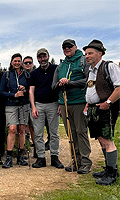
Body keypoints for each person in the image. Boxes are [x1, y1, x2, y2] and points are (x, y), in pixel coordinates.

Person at [83, 39, 120, 185]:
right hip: (94, 109)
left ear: (100, 53)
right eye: (86, 53)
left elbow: (119, 87)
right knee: (100, 139)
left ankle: (112, 173)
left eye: (90, 53)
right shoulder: (91, 70)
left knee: (107, 140)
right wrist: (87, 104)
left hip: (107, 109)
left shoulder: (109, 66)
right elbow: (91, 90)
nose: (86, 56)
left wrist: (108, 103)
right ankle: (108, 168)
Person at [52, 39, 92, 174]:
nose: (67, 49)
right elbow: (53, 85)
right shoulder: (61, 65)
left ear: (75, 47)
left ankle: (85, 162)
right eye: (64, 47)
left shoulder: (83, 60)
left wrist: (70, 83)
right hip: (64, 103)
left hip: (79, 101)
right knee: (71, 133)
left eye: (69, 46)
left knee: (81, 131)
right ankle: (76, 160)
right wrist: (60, 84)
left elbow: (88, 80)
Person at [28, 48, 64, 169]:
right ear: (37, 58)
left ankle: (54, 156)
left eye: (44, 56)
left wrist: (60, 103)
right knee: (38, 133)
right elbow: (31, 91)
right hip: (38, 104)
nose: (42, 59)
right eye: (40, 57)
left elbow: (60, 87)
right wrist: (33, 106)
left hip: (53, 104)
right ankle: (41, 157)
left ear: (48, 56)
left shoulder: (56, 69)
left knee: (54, 132)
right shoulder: (34, 73)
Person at [0, 53, 29, 168]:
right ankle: (9, 157)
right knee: (12, 129)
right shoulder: (6, 75)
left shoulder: (26, 75)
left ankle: (21, 156)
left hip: (24, 104)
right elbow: (1, 91)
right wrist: (13, 95)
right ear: (11, 62)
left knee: (22, 129)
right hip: (11, 104)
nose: (17, 63)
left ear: (21, 62)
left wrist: (24, 90)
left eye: (19, 61)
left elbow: (31, 90)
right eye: (15, 61)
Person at [22, 56, 37, 158]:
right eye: (26, 63)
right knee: (22, 127)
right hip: (22, 103)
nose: (28, 65)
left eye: (29, 63)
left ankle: (37, 148)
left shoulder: (35, 74)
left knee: (34, 127)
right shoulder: (21, 75)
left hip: (33, 103)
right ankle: (22, 149)